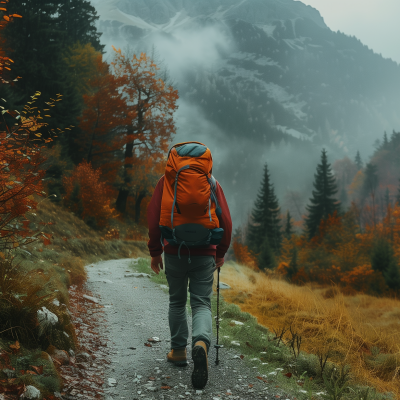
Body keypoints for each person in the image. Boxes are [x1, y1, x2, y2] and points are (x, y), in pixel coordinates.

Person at [146, 143, 232, 389]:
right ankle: (201, 344)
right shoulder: (212, 183)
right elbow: (226, 220)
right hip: (206, 252)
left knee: (176, 300)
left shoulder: (166, 182)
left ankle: (178, 351)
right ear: (206, 162)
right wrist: (221, 252)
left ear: (173, 161)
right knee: (201, 302)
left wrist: (155, 252)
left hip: (174, 250)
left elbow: (153, 219)